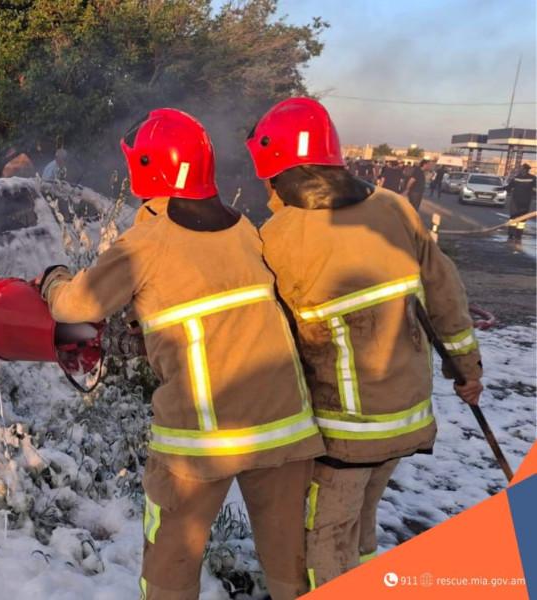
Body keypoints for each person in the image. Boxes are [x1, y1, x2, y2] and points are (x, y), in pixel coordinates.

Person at [39, 108, 325, 600]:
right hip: (285, 428)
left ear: (148, 168)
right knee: (291, 569)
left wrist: (52, 281)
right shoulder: (244, 230)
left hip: (200, 441)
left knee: (170, 565)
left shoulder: (147, 241)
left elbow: (76, 306)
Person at [245, 97, 484, 590]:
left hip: (344, 433)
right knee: (361, 524)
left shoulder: (277, 238)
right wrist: (467, 366)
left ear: (272, 166)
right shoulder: (394, 208)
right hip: (406, 416)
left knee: (324, 539)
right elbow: (445, 293)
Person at [502, 164, 535, 246]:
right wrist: (501, 188)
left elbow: (535, 189)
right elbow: (510, 186)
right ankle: (511, 235)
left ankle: (518, 236)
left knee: (522, 220)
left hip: (525, 202)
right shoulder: (517, 177)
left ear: (526, 169)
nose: (520, 170)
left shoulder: (532, 178)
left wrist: (533, 194)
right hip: (516, 201)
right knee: (513, 218)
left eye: (522, 168)